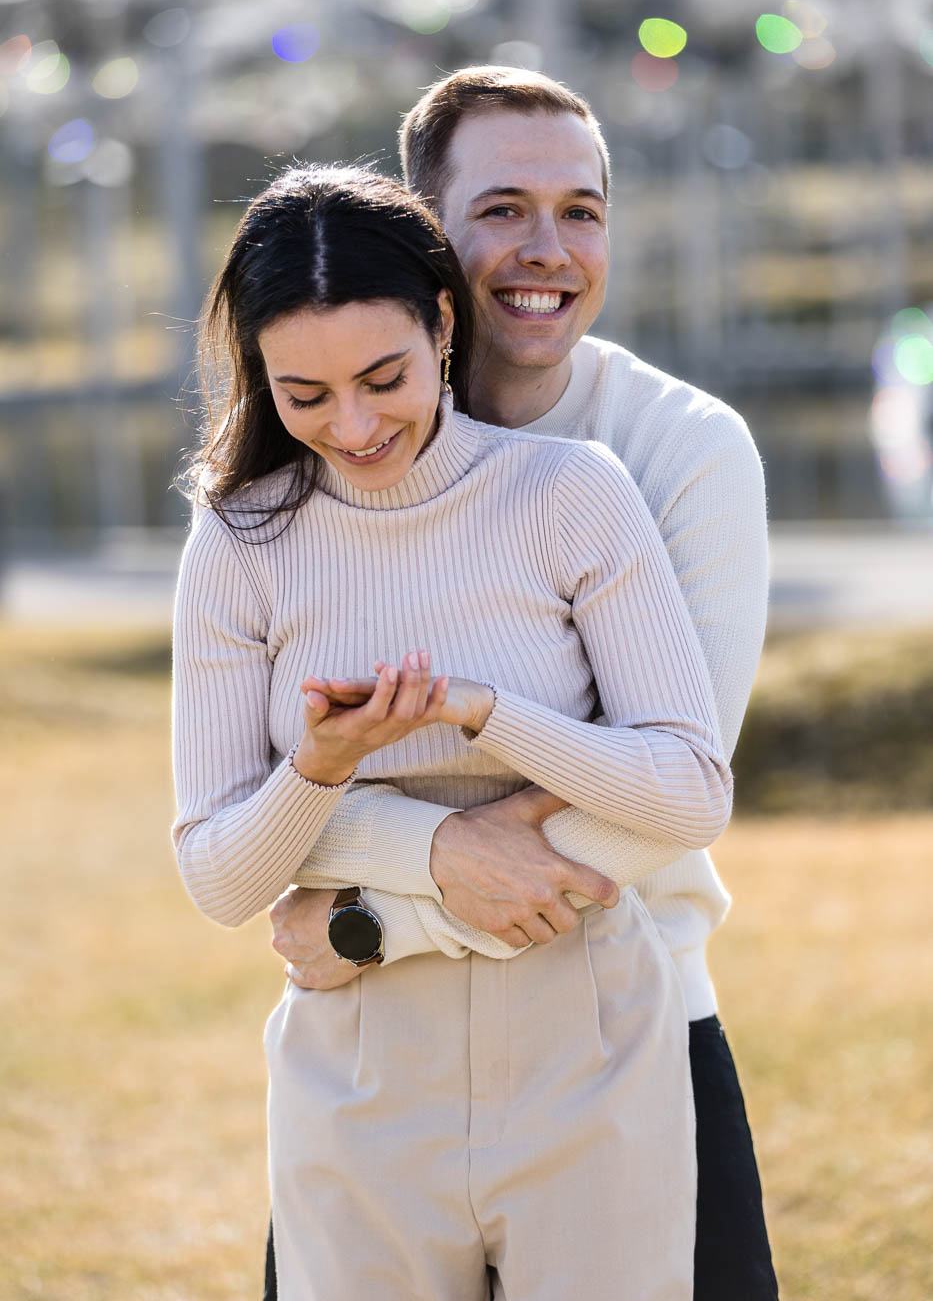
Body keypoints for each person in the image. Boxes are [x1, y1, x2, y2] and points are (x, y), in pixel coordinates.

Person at [172, 162, 733, 1300]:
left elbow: (686, 791)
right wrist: (328, 775)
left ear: (441, 320)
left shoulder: (573, 490)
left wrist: (484, 713)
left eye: (384, 376)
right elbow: (220, 872)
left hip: (589, 1040)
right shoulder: (239, 541)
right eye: (306, 394)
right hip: (360, 1076)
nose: (357, 424)